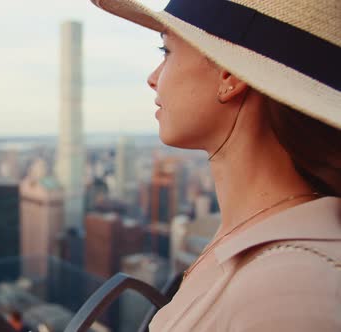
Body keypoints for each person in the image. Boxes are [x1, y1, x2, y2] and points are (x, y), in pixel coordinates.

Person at [90, 0, 340, 331]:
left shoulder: (287, 290)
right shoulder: (252, 237)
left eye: (165, 52)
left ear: (229, 75)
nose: (152, 78)